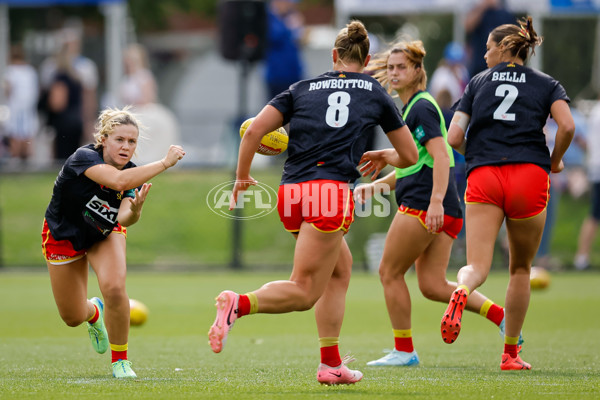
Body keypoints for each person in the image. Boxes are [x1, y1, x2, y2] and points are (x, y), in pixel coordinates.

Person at [208, 20, 418, 385]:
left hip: (291, 195)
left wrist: (242, 177)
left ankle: (331, 364)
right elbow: (411, 156)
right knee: (305, 290)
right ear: (367, 60)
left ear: (334, 56)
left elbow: (254, 131)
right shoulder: (373, 90)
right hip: (330, 194)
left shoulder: (300, 88)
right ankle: (237, 304)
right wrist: (384, 155)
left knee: (339, 270)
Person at [355, 40, 512, 367]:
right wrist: (379, 186)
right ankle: (501, 315)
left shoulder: (422, 107)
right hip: (443, 204)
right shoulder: (412, 108)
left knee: (389, 271)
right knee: (432, 285)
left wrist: (435, 202)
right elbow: (417, 162)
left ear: (417, 71)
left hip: (426, 203)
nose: (394, 73)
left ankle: (404, 351)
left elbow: (443, 156)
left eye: (402, 67)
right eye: (392, 67)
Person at [441, 17, 574, 370]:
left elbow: (453, 138)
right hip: (529, 174)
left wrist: (480, 159)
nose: (484, 55)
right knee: (519, 269)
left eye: (487, 48)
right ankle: (510, 354)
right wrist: (555, 161)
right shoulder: (547, 84)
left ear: (503, 48)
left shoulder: (476, 83)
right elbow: (568, 125)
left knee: (476, 265)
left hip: (485, 175)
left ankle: (463, 290)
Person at [41, 107, 185, 378]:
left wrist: (136, 211)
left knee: (115, 287)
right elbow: (118, 182)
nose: (126, 146)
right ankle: (94, 312)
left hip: (102, 233)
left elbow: (124, 217)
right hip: (64, 235)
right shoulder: (84, 158)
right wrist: (164, 163)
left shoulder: (131, 173)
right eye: (119, 139)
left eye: (132, 141)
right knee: (72, 317)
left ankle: (120, 361)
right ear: (104, 139)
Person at [574, 98, 600, 270]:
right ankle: (581, 256)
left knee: (595, 214)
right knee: (595, 214)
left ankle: (582, 256)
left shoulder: (596, 112)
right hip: (598, 168)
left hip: (595, 167)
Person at [3, 44, 39, 165]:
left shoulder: (11, 71)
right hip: (29, 109)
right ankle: (28, 159)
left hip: (16, 108)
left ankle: (16, 159)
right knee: (28, 133)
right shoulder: (30, 71)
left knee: (16, 134)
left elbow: (8, 90)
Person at [264, 0, 305, 99]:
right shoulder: (269, 19)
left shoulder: (288, 17)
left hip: (294, 72)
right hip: (277, 75)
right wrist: (288, 26)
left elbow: (297, 43)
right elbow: (272, 37)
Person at [464, 0, 515, 78]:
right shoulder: (479, 12)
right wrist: (483, 6)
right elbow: (467, 27)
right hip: (480, 66)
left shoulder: (505, 15)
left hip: (500, 67)